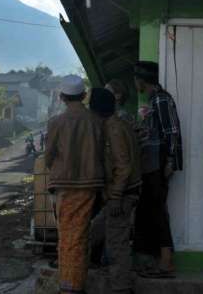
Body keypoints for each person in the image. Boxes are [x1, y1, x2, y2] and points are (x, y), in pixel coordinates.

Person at [45, 74, 105, 294]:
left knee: (69, 235)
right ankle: (74, 282)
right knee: (79, 234)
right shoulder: (97, 121)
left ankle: (70, 286)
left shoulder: (56, 122)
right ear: (84, 95)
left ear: (61, 97)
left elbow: (48, 155)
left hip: (64, 186)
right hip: (90, 185)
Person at [89, 88, 142, 294]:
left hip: (122, 194)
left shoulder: (114, 129)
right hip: (122, 192)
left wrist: (116, 196)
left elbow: (123, 165)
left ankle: (121, 288)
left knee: (116, 243)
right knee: (95, 231)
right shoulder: (119, 125)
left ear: (97, 110)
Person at [132, 61, 183, 279]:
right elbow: (156, 132)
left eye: (136, 79)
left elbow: (171, 132)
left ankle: (166, 263)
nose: (135, 82)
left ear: (142, 80)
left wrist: (170, 161)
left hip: (158, 162)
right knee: (149, 211)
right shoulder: (153, 100)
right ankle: (153, 260)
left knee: (157, 211)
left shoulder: (161, 99)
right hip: (150, 163)